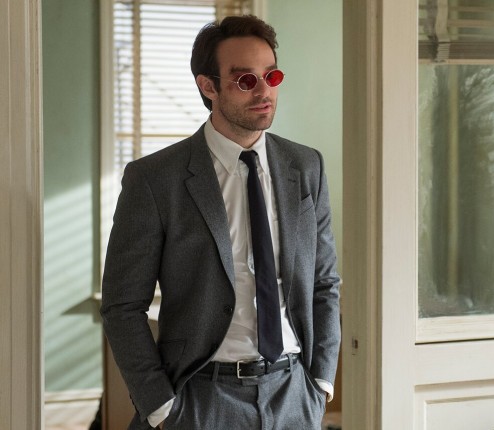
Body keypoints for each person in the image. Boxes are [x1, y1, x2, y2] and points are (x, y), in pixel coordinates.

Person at [100, 15, 341, 430]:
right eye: (245, 80)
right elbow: (122, 306)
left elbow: (324, 282)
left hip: (294, 395)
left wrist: (320, 382)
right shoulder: (155, 179)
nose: (264, 91)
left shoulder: (305, 166)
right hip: (200, 400)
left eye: (272, 76)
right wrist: (160, 407)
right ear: (208, 86)